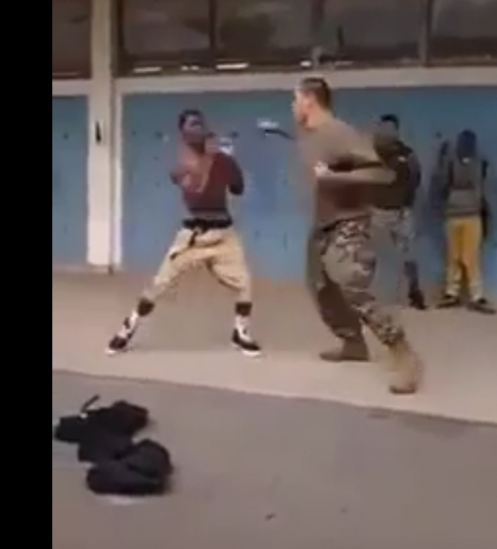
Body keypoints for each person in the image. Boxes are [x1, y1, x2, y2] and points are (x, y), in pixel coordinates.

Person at [293, 77, 424, 395]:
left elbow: (381, 173)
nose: (293, 106)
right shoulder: (309, 136)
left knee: (350, 282)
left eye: (295, 99)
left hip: (349, 222)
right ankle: (353, 342)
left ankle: (403, 353)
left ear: (309, 100)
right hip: (323, 223)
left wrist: (336, 177)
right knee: (320, 286)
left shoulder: (339, 132)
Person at [106, 110, 261, 356]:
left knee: (245, 283)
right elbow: (196, 191)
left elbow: (237, 188)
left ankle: (240, 332)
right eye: (192, 125)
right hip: (193, 237)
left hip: (223, 234)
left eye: (201, 124)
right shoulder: (181, 166)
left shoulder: (223, 160)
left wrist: (230, 163)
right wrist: (209, 159)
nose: (198, 129)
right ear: (183, 132)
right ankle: (128, 328)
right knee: (160, 284)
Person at [432, 129, 497, 314]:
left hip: (471, 215)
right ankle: (452, 293)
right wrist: (442, 161)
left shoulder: (481, 164)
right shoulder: (450, 163)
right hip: (454, 214)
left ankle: (476, 295)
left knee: (470, 258)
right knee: (454, 257)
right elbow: (442, 184)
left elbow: (486, 190)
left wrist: (488, 214)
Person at [372, 114, 427, 310]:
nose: (387, 132)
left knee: (409, 253)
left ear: (396, 130)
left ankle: (414, 292)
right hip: (378, 211)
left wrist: (406, 203)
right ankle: (361, 294)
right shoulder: (371, 152)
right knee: (367, 254)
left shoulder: (407, 154)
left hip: (402, 212)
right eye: (384, 127)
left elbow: (416, 178)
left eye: (391, 128)